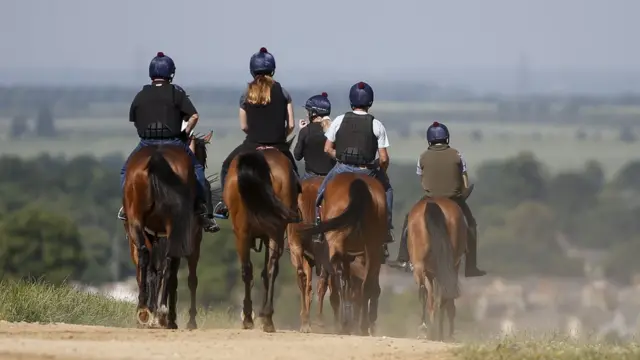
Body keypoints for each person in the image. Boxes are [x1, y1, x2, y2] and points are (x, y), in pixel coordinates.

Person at [117, 51, 220, 233]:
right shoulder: (176, 92)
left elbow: (134, 120)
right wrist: (185, 132)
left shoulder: (140, 95)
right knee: (196, 170)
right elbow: (194, 116)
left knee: (126, 171)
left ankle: (127, 207)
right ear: (170, 74)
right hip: (173, 142)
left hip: (146, 143)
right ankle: (202, 210)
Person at [387, 121, 486, 277]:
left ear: (429, 140)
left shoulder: (422, 157)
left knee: (408, 221)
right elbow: (464, 180)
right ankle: (471, 266)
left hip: (430, 197)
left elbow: (423, 180)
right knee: (471, 225)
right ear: (446, 138)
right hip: (454, 197)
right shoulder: (457, 155)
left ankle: (403, 259)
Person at [314, 81, 395, 260]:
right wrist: (379, 169)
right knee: (388, 191)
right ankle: (386, 229)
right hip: (367, 170)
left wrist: (341, 158)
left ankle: (318, 228)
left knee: (320, 194)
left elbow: (327, 148)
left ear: (351, 101)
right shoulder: (377, 125)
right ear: (370, 102)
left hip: (342, 167)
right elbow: (383, 158)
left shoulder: (339, 120)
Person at [213, 47, 297, 219]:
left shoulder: (246, 93)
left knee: (225, 166)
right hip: (278, 145)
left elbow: (244, 126)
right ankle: (297, 207)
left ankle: (224, 204)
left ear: (252, 70)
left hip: (252, 144)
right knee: (295, 174)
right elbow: (291, 124)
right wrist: (280, 137)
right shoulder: (283, 92)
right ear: (272, 69)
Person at [294, 92, 336, 179]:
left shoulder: (305, 131)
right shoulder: (334, 129)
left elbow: (297, 156)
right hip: (330, 176)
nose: (306, 114)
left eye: (308, 111)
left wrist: (301, 131)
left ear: (314, 113)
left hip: (310, 176)